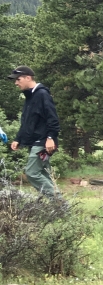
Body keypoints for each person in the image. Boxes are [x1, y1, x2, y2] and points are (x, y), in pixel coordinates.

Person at [7, 66, 59, 196]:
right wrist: (18, 138)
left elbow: (52, 118)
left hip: (43, 142)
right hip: (36, 141)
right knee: (43, 173)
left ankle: (59, 203)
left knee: (32, 173)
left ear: (28, 77)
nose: (16, 83)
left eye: (18, 79)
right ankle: (59, 207)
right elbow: (28, 122)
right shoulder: (30, 96)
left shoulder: (42, 94)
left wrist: (51, 138)